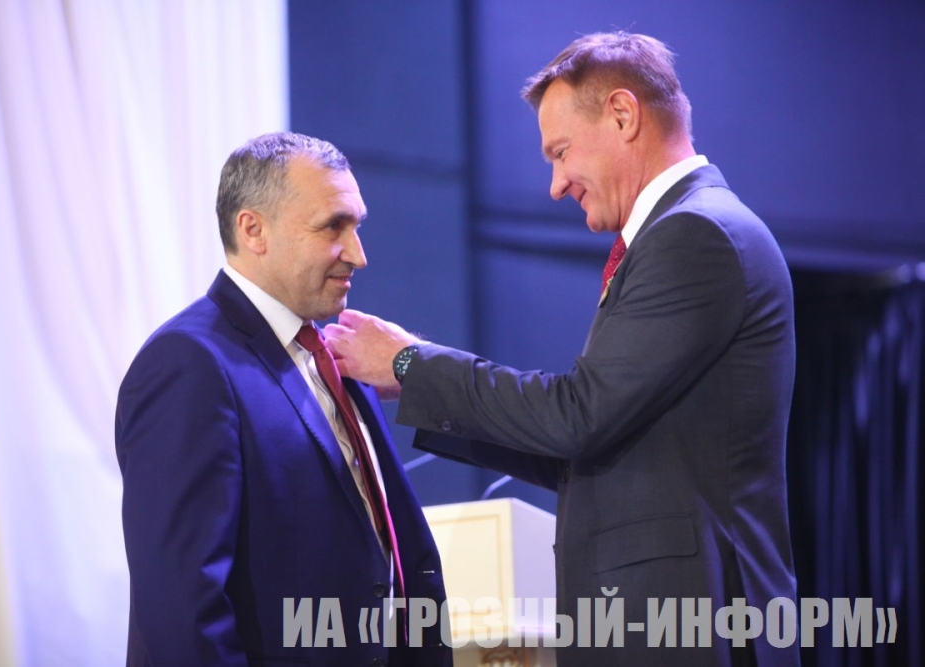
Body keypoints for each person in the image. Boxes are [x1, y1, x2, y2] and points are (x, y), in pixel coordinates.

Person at [324, 32, 799, 666]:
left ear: (623, 115)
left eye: (561, 151)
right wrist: (417, 378)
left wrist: (412, 363)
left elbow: (579, 415)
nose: (555, 184)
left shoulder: (697, 233)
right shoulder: (684, 231)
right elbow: (590, 444)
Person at [115, 132, 451, 667]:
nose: (358, 255)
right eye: (333, 226)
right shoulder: (189, 363)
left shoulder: (334, 353)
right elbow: (182, 605)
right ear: (253, 230)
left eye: (357, 226)